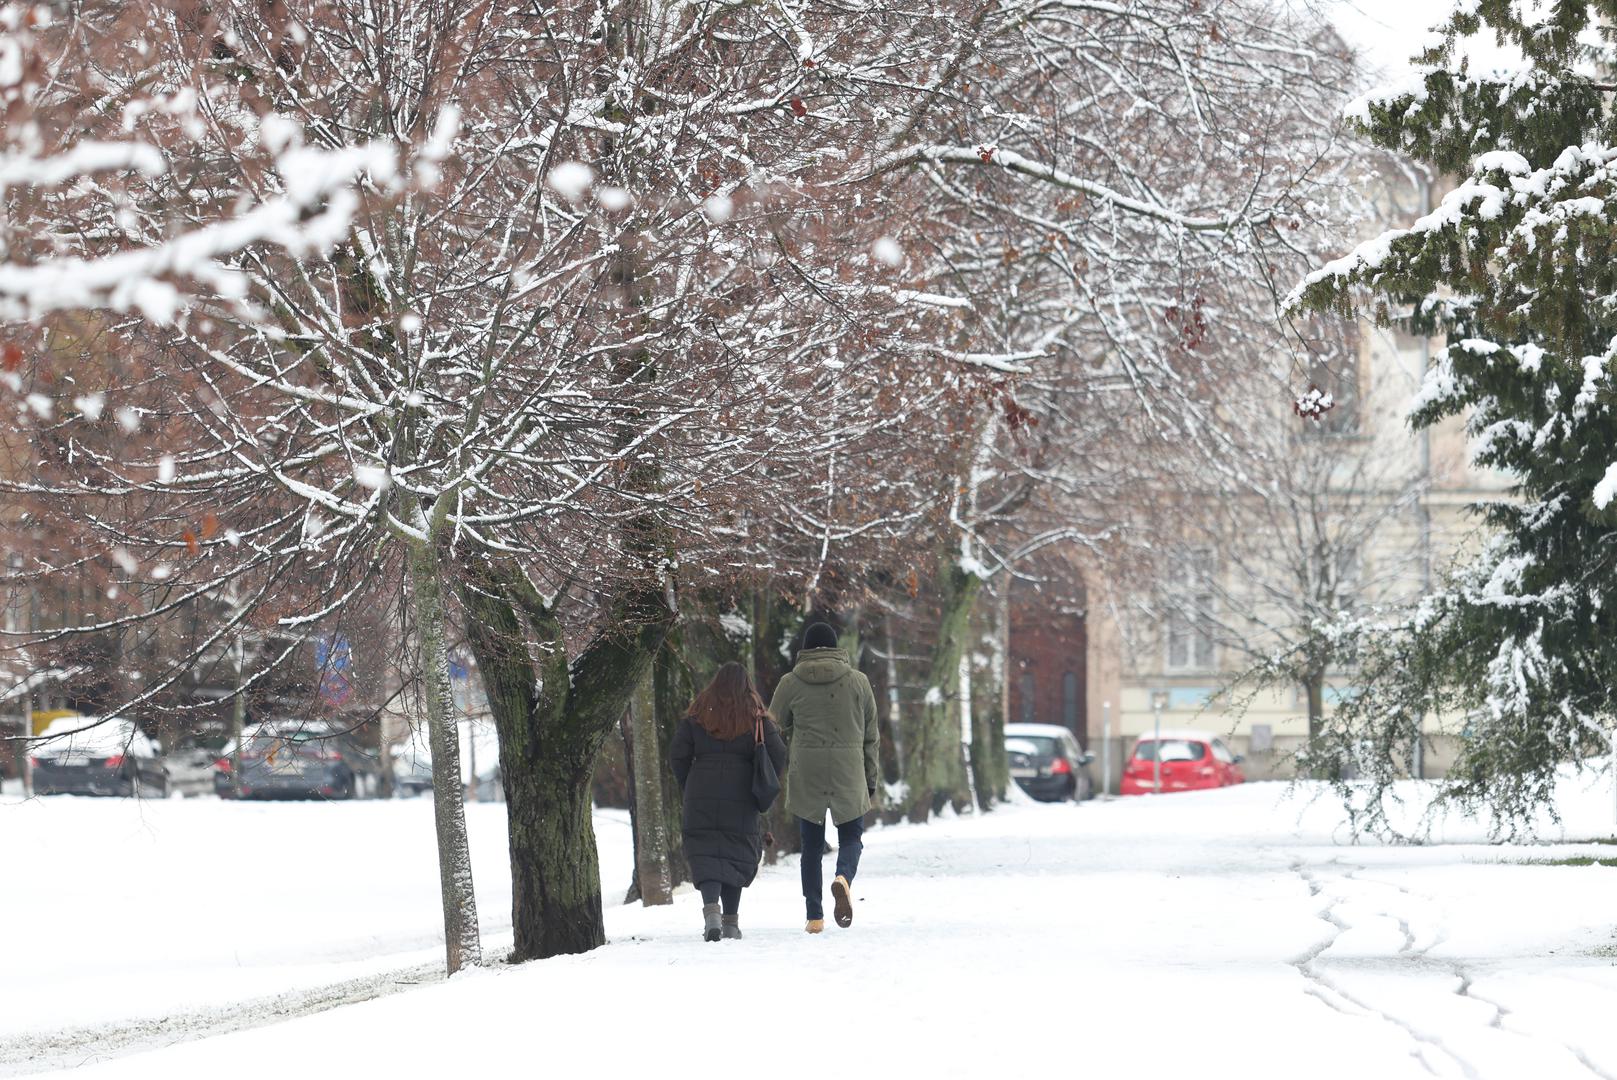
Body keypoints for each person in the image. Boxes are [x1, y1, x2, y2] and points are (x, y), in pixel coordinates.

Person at [769, 621, 879, 933]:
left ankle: (814, 916)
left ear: (805, 648)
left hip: (807, 771)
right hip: (849, 769)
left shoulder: (790, 682)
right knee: (851, 838)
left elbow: (773, 726)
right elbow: (872, 737)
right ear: (835, 647)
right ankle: (843, 877)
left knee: (811, 847)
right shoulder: (859, 682)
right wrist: (870, 779)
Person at [670, 661, 788, 942]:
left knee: (706, 852)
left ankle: (711, 910)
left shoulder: (698, 713)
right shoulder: (755, 715)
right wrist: (760, 776)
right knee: (735, 852)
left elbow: (677, 753)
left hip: (701, 790)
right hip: (742, 792)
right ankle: (731, 923)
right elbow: (778, 753)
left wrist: (690, 782)